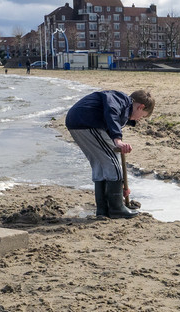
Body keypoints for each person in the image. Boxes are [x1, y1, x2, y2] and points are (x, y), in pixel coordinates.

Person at [64, 89, 154, 219]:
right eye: (143, 115)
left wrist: (121, 187)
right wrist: (117, 140)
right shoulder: (121, 99)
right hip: (87, 122)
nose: (140, 119)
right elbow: (111, 112)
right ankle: (116, 209)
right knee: (112, 163)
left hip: (77, 121)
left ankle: (103, 209)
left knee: (100, 164)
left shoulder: (123, 108)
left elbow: (109, 123)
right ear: (141, 107)